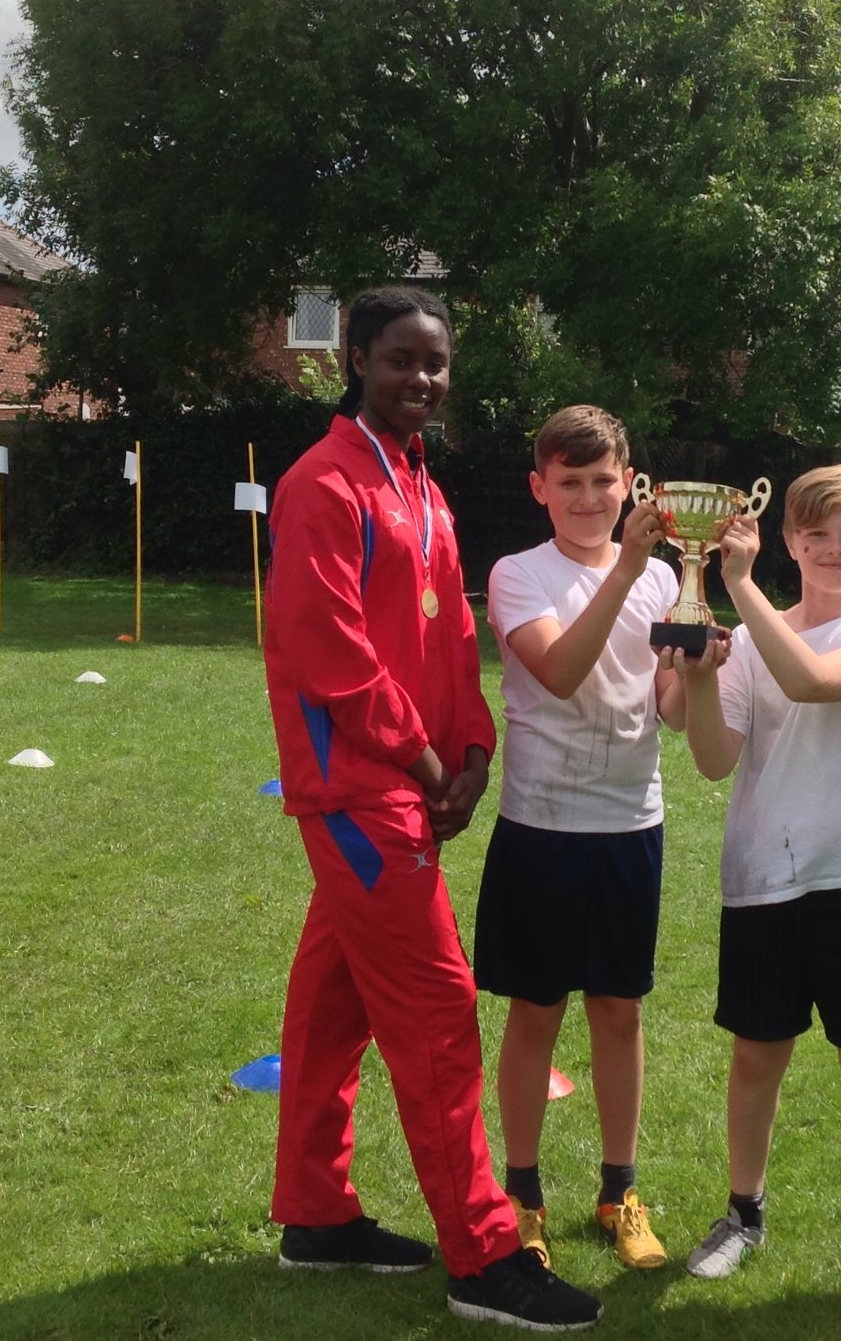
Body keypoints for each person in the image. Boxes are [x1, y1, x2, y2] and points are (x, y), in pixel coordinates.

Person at [261, 286, 601, 1331]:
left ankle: (317, 1216)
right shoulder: (323, 484)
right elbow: (329, 655)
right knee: (438, 1014)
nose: (421, 378)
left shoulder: (420, 486)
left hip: (407, 781)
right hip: (359, 791)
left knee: (331, 1010)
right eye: (400, 358)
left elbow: (451, 637)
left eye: (435, 362)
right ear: (353, 360)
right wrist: (416, 757)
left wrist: (470, 746)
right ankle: (483, 1254)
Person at [674, 464, 841, 1333]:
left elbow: (815, 681)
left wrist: (741, 587)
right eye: (817, 535)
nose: (835, 550)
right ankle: (744, 1215)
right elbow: (715, 759)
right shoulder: (750, 634)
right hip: (761, 876)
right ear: (790, 538)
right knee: (757, 1057)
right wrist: (694, 673)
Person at [473, 405, 682, 1273]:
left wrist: (697, 668)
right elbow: (559, 674)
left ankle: (618, 1190)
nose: (591, 498)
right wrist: (625, 567)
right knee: (537, 1011)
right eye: (571, 483)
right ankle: (521, 1195)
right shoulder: (519, 573)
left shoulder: (669, 579)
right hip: (543, 824)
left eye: (605, 481)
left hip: (631, 819)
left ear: (629, 480)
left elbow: (664, 707)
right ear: (540, 489)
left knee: (620, 1011)